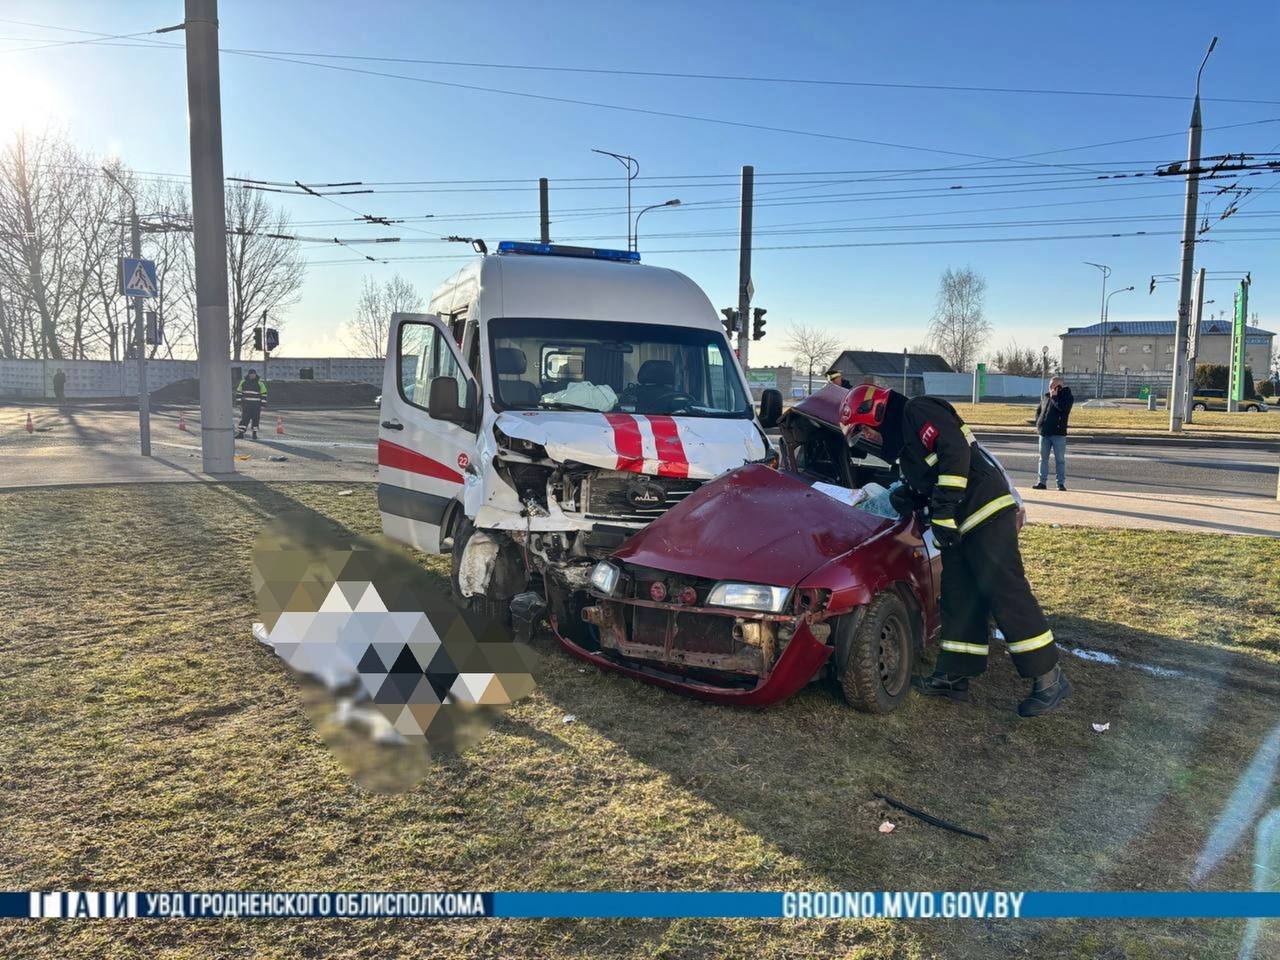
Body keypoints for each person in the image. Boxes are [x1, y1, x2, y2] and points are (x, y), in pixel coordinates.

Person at [839, 383, 1072, 717]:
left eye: (864, 433)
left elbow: (954, 453)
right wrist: (897, 500)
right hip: (959, 528)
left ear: (876, 413)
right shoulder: (906, 447)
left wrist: (944, 511)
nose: (868, 442)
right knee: (959, 596)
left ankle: (1049, 679)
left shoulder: (917, 410)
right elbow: (926, 484)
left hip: (986, 513)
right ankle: (954, 677)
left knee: (1005, 593)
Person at [1033, 377, 1073, 491]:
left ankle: (1060, 483)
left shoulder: (1067, 397)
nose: (1051, 388)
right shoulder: (1046, 396)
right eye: (1050, 385)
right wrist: (1039, 423)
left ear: (1060, 386)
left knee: (1059, 459)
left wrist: (1055, 397)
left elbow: (1063, 409)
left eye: (1054, 385)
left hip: (1058, 434)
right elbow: (1039, 411)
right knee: (1043, 459)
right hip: (1044, 433)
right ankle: (1041, 482)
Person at [235, 369, 268, 439]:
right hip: (246, 405)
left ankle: (254, 434)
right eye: (251, 374)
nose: (252, 375)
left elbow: (264, 394)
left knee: (256, 419)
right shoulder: (243, 382)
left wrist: (263, 405)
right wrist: (238, 403)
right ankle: (240, 434)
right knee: (244, 419)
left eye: (254, 374)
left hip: (256, 405)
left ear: (255, 374)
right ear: (249, 374)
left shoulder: (260, 383)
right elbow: (239, 393)